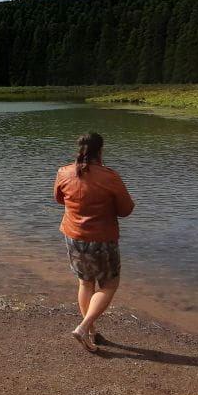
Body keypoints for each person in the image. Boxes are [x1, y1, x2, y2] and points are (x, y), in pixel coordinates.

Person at [53, 132, 134, 352]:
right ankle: (83, 327)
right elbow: (126, 210)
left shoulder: (64, 172)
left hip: (73, 235)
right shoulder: (110, 177)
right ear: (100, 151)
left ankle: (90, 332)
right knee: (109, 285)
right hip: (102, 237)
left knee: (85, 283)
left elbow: (60, 199)